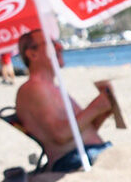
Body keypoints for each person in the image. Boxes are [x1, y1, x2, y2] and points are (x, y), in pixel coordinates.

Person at [14, 29, 114, 172]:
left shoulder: (48, 87)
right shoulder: (34, 89)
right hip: (73, 158)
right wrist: (95, 108)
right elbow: (60, 135)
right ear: (32, 54)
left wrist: (101, 114)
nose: (59, 47)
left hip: (83, 153)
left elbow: (77, 133)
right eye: (51, 44)